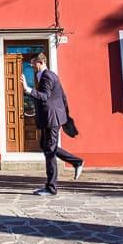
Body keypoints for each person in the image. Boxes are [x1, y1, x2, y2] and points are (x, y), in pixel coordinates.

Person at [20, 53, 84, 196]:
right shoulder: (47, 75)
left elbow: (44, 96)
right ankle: (77, 161)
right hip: (52, 117)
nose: (32, 66)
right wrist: (64, 114)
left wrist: (27, 89)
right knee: (46, 145)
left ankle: (51, 187)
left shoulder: (47, 76)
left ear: (41, 62)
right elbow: (63, 96)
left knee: (49, 150)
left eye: (33, 63)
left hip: (51, 118)